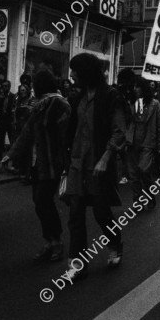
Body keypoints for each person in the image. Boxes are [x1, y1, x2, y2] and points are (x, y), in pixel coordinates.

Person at [64, 53, 127, 281]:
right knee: (75, 214)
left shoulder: (111, 96)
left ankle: (115, 244)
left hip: (98, 165)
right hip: (76, 164)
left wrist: (105, 158)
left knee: (101, 212)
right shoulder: (77, 97)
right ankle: (77, 263)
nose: (71, 75)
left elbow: (119, 131)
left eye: (75, 71)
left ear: (86, 72)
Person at [2, 69, 71, 262]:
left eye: (34, 83)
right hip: (36, 162)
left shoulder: (59, 103)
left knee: (44, 201)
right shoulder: (40, 105)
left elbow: (64, 134)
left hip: (51, 161)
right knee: (39, 203)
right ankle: (49, 241)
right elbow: (27, 133)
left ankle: (56, 242)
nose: (32, 87)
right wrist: (11, 155)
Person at [126, 77, 160, 209]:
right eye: (134, 87)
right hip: (132, 142)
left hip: (147, 142)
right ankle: (137, 201)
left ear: (144, 88)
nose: (135, 89)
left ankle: (149, 195)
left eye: (138, 86)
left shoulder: (155, 104)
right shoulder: (132, 103)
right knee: (133, 175)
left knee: (144, 170)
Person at [0, 79, 15, 155]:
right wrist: (1, 99)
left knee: (11, 138)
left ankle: (13, 155)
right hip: (2, 120)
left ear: (9, 87)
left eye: (6, 86)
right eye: (3, 86)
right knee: (1, 138)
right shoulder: (0, 96)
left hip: (9, 120)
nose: (4, 88)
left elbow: (13, 107)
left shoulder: (13, 96)